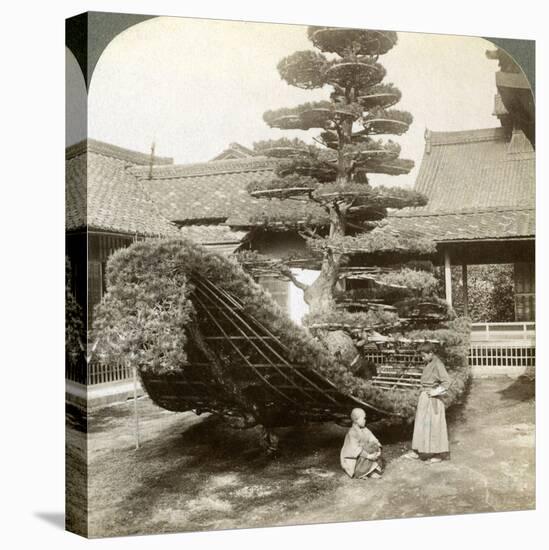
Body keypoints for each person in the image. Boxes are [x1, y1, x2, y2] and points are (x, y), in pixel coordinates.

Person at [405, 342, 451, 463]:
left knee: (434, 425)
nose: (422, 358)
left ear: (431, 353)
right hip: (425, 398)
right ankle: (417, 450)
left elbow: (447, 382)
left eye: (424, 355)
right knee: (421, 424)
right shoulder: (429, 363)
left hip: (433, 399)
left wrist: (435, 392)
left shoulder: (438, 364)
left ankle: (439, 454)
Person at [340, 408, 384, 479]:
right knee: (368, 450)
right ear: (356, 420)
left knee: (374, 445)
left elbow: (374, 439)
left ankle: (369, 470)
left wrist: (379, 449)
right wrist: (369, 456)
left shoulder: (365, 429)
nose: (365, 420)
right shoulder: (352, 432)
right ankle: (362, 473)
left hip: (363, 455)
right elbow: (356, 450)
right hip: (353, 458)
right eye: (363, 418)